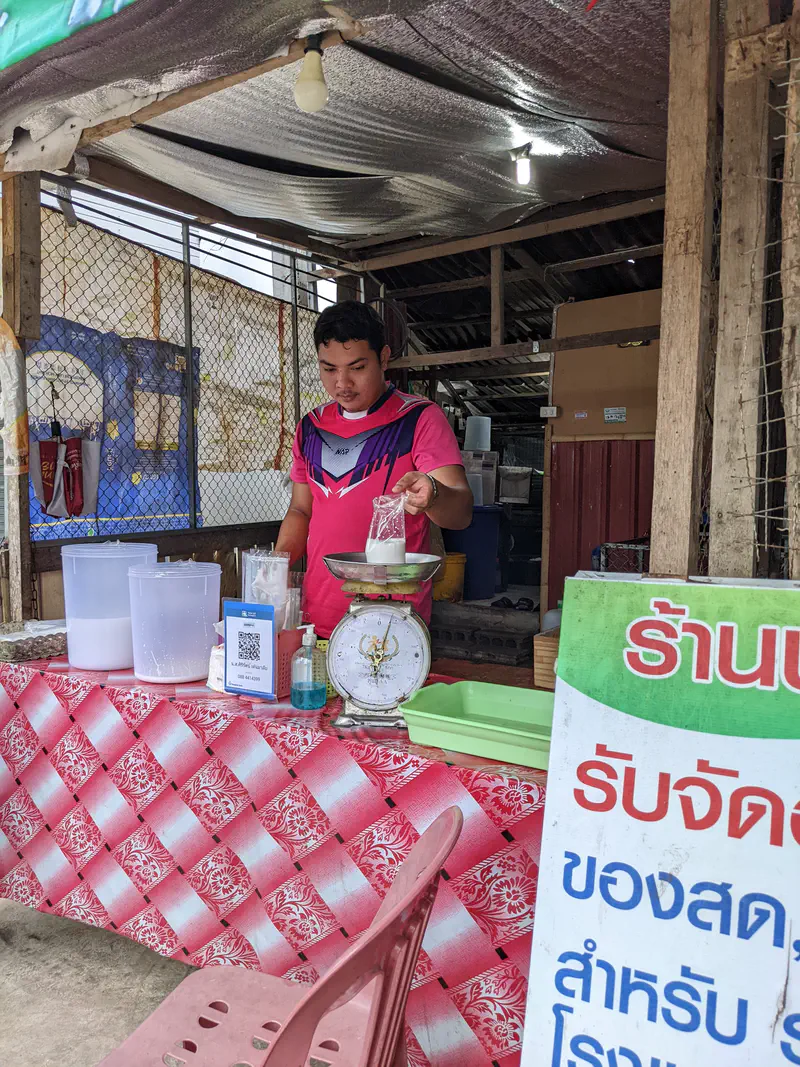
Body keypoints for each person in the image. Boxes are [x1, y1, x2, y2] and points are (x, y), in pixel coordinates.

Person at [276, 300, 473, 638]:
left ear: (383, 358)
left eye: (357, 367)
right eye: (329, 369)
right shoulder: (310, 427)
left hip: (393, 620)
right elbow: (300, 509)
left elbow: (462, 513)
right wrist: (276, 565)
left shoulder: (419, 419)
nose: (342, 383)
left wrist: (434, 495)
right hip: (318, 617)